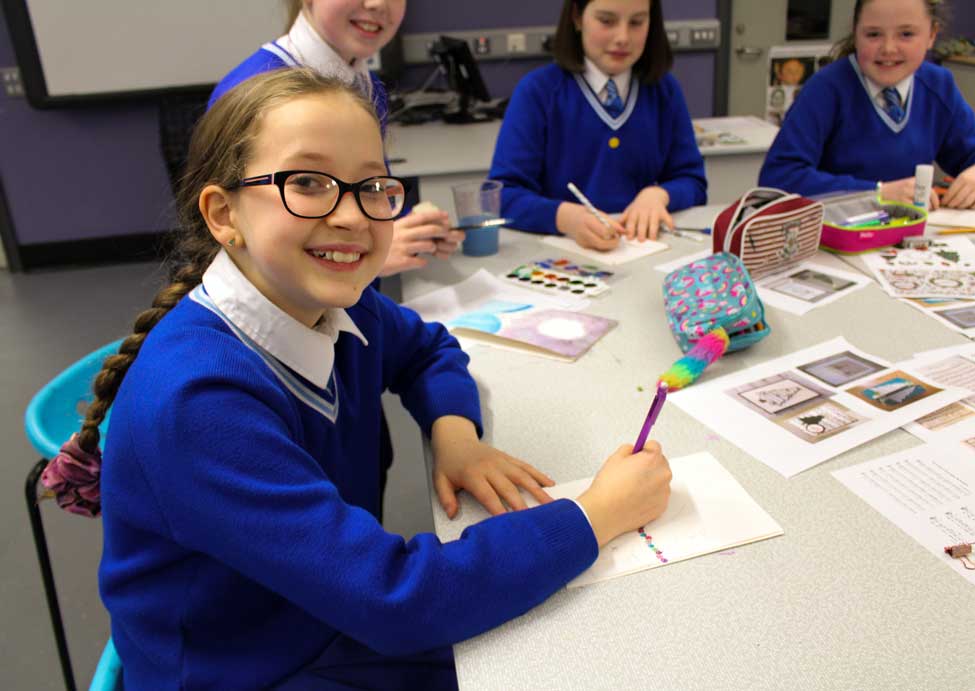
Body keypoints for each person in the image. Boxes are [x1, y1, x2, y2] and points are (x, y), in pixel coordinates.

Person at [51, 68, 672, 689]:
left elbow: (427, 349)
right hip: (247, 667)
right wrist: (593, 516)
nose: (352, 216)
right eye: (308, 183)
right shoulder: (201, 404)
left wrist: (456, 435)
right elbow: (395, 597)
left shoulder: (335, 303)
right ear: (223, 213)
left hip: (319, 612)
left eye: (373, 186)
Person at [210, 0, 464, 277]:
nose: (378, 3)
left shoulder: (366, 85)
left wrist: (410, 230)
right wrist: (373, 253)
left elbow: (361, 191)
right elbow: (232, 252)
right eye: (307, 183)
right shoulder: (253, 90)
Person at [488, 0, 707, 250]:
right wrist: (564, 218)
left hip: (642, 250)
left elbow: (693, 182)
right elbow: (502, 196)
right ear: (577, 17)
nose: (623, 37)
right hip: (560, 255)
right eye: (607, 21)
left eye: (636, 22)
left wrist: (659, 196)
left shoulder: (664, 90)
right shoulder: (539, 91)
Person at [758, 0, 975, 210]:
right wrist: (877, 193)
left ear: (932, 35)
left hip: (908, 238)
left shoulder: (938, 85)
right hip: (835, 238)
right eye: (873, 34)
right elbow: (779, 178)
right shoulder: (826, 89)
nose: (889, 48)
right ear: (856, 33)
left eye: (906, 34)